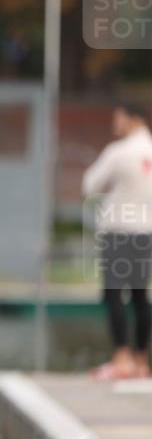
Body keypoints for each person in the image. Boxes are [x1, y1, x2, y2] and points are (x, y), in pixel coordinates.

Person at [82, 102, 152, 380]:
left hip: (119, 230)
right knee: (140, 296)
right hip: (146, 231)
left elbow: (90, 184)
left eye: (119, 118)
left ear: (132, 119)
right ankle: (142, 360)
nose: (115, 123)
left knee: (113, 294)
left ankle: (121, 358)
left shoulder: (119, 152)